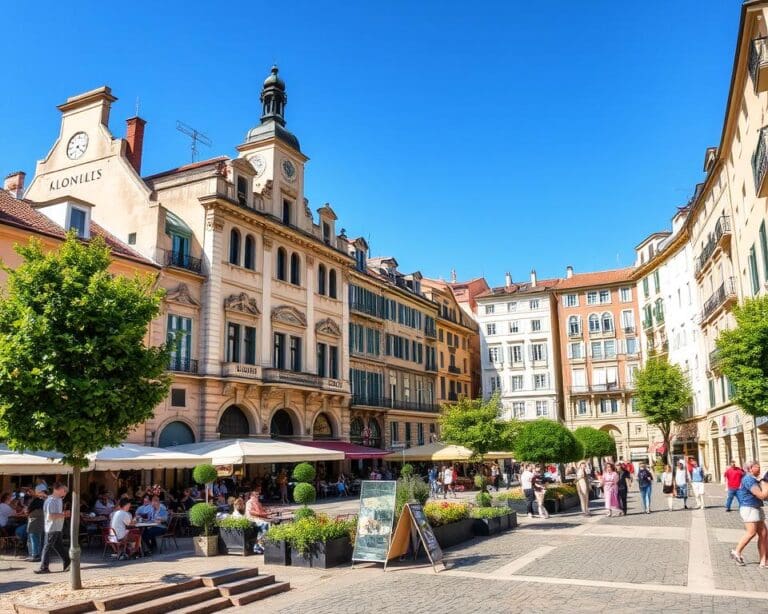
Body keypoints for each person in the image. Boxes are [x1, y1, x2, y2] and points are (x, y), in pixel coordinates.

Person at [730, 460, 768, 567]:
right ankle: (736, 552)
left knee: (764, 534)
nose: (759, 468)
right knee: (751, 532)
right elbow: (761, 495)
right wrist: (765, 484)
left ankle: (764, 560)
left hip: (756, 507)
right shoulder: (748, 480)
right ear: (750, 468)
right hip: (749, 508)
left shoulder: (754, 479)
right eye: (757, 466)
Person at [34, 482, 71, 574]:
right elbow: (51, 516)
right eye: (64, 490)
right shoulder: (52, 500)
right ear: (58, 490)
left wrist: (63, 514)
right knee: (51, 546)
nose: (66, 493)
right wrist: (64, 514)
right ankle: (66, 562)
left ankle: (45, 567)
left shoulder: (57, 500)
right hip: (52, 526)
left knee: (53, 546)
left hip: (55, 526)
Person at [245, 490, 270, 554]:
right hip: (252, 519)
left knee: (268, 524)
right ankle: (259, 545)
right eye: (256, 495)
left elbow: (261, 511)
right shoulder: (249, 502)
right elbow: (252, 512)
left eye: (258, 495)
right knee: (265, 524)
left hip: (258, 519)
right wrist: (263, 514)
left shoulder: (257, 502)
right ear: (251, 496)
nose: (258, 496)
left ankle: (260, 545)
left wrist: (266, 513)